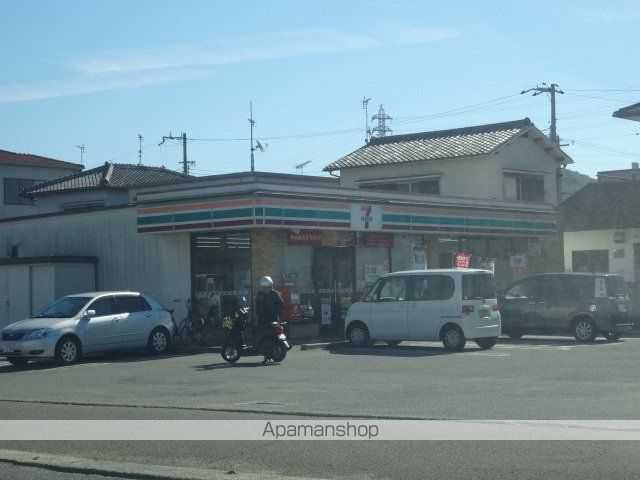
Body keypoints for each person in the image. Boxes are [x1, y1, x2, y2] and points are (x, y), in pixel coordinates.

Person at [255, 276, 284, 363]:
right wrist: (258, 314)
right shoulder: (259, 294)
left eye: (266, 287)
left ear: (270, 286)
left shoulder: (275, 294)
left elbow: (281, 305)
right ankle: (266, 356)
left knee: (271, 338)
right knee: (263, 338)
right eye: (263, 287)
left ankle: (270, 355)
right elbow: (257, 306)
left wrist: (274, 312)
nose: (265, 289)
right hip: (262, 320)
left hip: (272, 320)